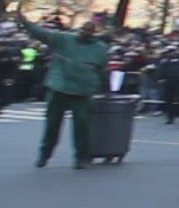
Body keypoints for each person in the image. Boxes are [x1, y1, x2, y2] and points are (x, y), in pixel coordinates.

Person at [18, 11, 111, 167]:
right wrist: (26, 23)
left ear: (94, 33)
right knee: (52, 125)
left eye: (89, 31)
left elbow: (102, 70)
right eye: (83, 30)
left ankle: (81, 157)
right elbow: (42, 34)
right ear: (79, 30)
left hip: (83, 91)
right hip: (60, 87)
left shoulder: (99, 48)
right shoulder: (64, 39)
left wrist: (103, 89)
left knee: (82, 126)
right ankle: (44, 155)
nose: (85, 33)